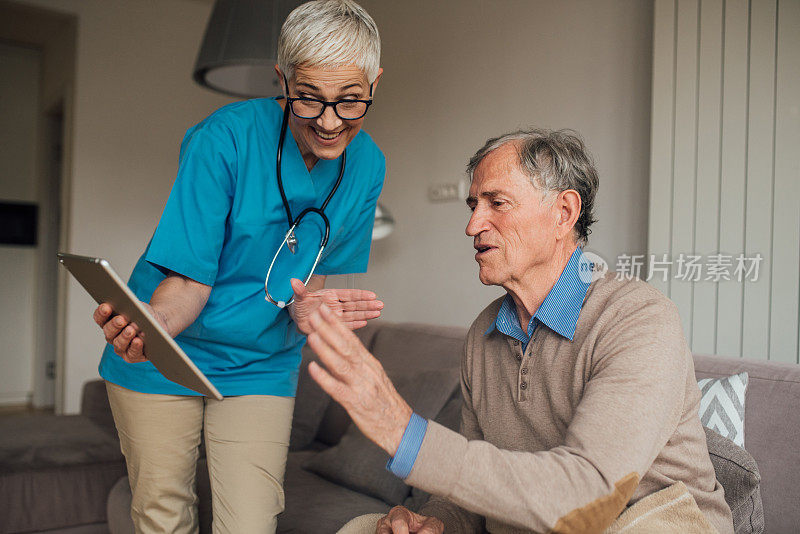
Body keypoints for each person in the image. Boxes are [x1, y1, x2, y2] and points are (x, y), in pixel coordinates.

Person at [303, 130, 735, 533]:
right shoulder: (483, 335)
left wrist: (402, 429)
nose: (473, 226)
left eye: (497, 203)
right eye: (473, 205)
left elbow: (590, 493)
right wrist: (434, 521)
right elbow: (477, 492)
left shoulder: (637, 318)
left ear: (564, 213)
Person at [91, 1, 386, 531]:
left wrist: (306, 309)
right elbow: (188, 282)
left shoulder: (368, 166)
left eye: (350, 102)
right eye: (309, 99)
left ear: (375, 82)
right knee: (163, 512)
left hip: (261, 364)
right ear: (282, 79)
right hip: (168, 350)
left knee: (250, 521)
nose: (328, 121)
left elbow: (308, 275)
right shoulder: (221, 140)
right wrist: (150, 330)